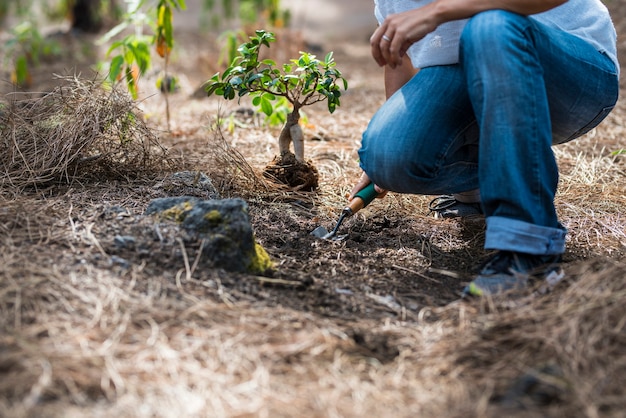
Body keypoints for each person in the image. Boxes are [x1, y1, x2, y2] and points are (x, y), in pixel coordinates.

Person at [350, 0, 619, 296]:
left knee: (491, 25)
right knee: (389, 156)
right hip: (468, 75)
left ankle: (528, 249)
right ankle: (504, 174)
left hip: (569, 67)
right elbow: (397, 55)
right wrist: (389, 147)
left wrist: (438, 10)